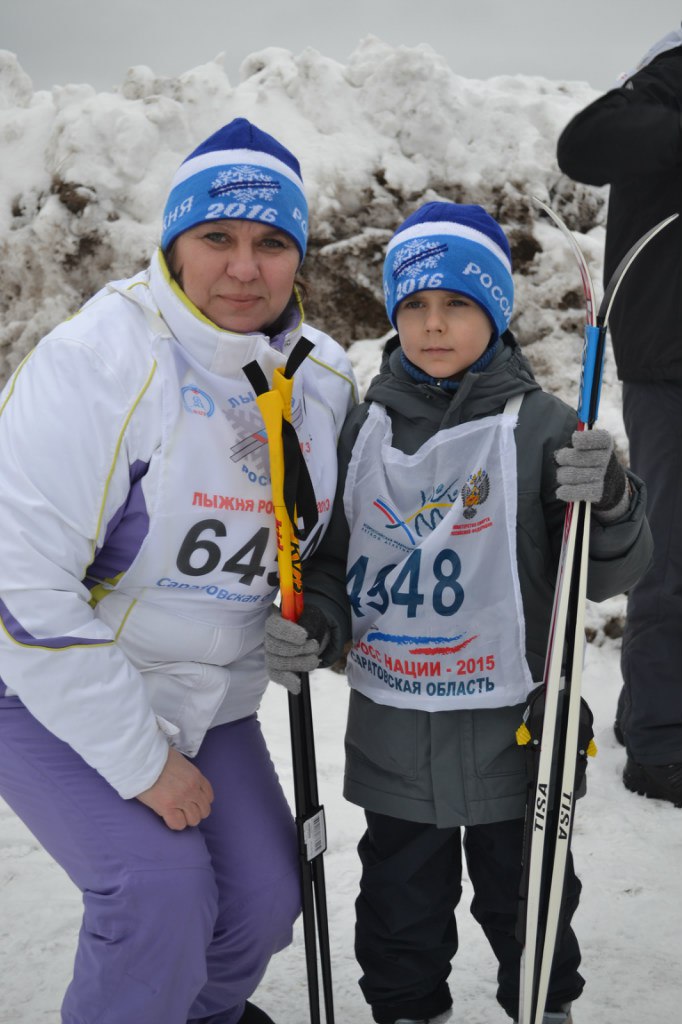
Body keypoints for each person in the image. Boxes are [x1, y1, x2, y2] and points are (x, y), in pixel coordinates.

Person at [0, 117, 357, 1024]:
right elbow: (21, 585)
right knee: (157, 893)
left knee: (264, 902)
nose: (245, 268)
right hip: (44, 679)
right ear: (173, 242)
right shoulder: (98, 361)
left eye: (273, 243)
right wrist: (142, 761)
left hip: (209, 693)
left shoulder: (320, 382)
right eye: (218, 239)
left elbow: (341, 540)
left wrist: (319, 604)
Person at [264, 201, 653, 1024]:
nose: (433, 325)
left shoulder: (543, 426)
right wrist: (318, 622)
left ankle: (544, 1006)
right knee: (399, 914)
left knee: (533, 907)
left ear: (495, 313)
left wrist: (611, 501)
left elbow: (608, 574)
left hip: (519, 742)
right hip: (395, 737)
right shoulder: (360, 427)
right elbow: (334, 562)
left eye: (458, 305)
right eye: (414, 306)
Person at [556, 26, 682, 806]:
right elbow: (585, 145)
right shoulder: (673, 72)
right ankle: (662, 743)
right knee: (672, 557)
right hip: (670, 360)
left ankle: (651, 715)